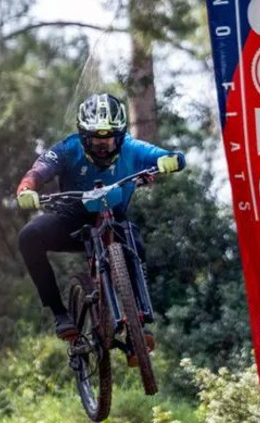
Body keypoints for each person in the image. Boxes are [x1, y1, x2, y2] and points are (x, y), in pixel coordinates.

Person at [16, 93, 185, 345]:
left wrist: (171, 160)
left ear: (121, 136)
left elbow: (170, 156)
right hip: (71, 222)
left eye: (109, 141)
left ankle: (139, 324)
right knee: (29, 236)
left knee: (136, 244)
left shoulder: (132, 148)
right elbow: (39, 170)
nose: (103, 148)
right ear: (84, 138)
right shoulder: (68, 148)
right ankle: (59, 313)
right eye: (96, 142)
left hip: (114, 220)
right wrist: (26, 189)